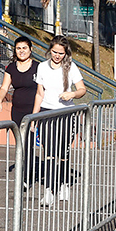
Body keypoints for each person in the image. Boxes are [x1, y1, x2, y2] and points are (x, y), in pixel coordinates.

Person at [31, 35, 87, 206]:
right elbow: (39, 94)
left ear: (66, 53)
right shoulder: (42, 67)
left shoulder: (71, 67)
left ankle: (63, 183)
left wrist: (72, 94)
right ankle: (48, 190)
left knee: (63, 152)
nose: (57, 56)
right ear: (50, 50)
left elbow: (82, 89)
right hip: (46, 113)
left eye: (61, 53)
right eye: (54, 52)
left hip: (66, 113)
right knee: (48, 152)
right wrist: (33, 117)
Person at [0, 36, 37, 126]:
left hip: (34, 111)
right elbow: (4, 87)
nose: (21, 51)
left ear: (30, 49)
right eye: (18, 48)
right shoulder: (11, 67)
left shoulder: (38, 67)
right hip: (17, 111)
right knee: (19, 134)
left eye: (24, 48)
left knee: (33, 135)